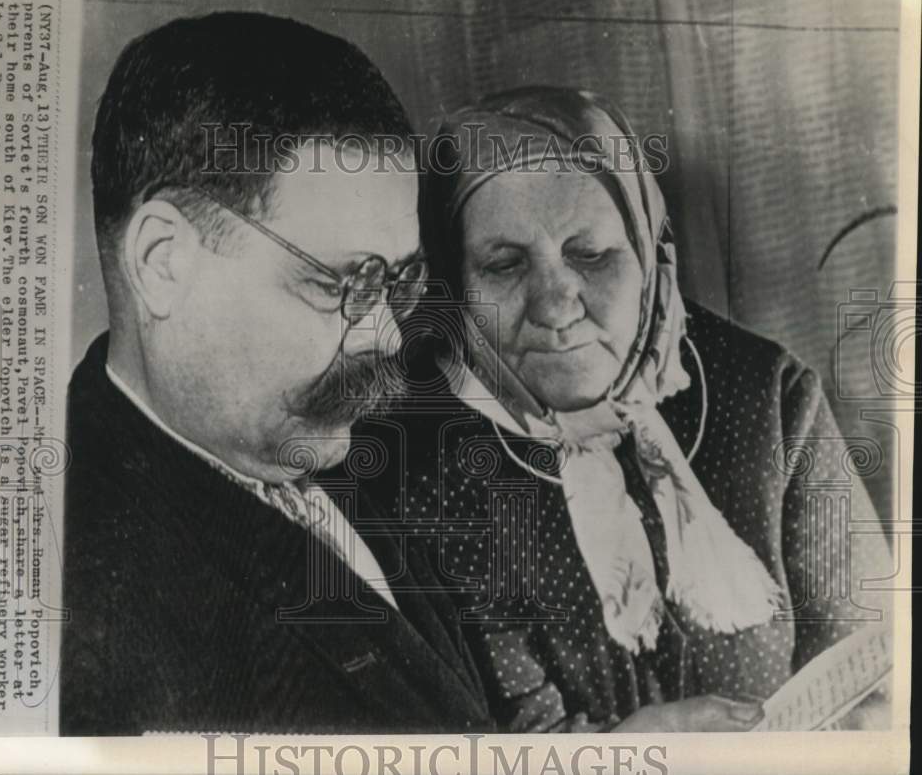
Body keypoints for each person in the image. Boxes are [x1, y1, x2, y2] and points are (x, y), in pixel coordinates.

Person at [358, 86, 892, 732]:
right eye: (503, 264)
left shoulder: (769, 397)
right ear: (456, 288)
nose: (556, 305)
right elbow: (504, 738)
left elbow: (872, 675)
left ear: (646, 249)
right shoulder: (414, 461)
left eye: (591, 255)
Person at [60, 12, 492, 735]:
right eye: (342, 283)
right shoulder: (73, 612)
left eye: (400, 279)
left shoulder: (323, 433)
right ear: (162, 264)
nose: (387, 333)